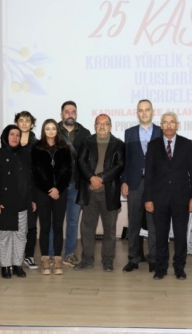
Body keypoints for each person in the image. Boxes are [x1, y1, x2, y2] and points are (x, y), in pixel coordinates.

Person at [143, 112, 192, 280]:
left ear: (177, 125)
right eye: (165, 122)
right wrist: (148, 198)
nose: (168, 125)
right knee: (161, 235)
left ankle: (179, 267)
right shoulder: (153, 145)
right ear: (161, 125)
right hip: (159, 198)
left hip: (182, 198)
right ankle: (161, 267)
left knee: (180, 235)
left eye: (172, 122)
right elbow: (149, 174)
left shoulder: (186, 144)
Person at [74, 114, 125, 272]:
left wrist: (100, 178)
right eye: (99, 124)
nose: (102, 126)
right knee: (87, 228)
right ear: (95, 126)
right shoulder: (87, 141)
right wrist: (91, 178)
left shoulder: (118, 144)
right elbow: (81, 161)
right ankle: (87, 260)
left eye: (105, 124)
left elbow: (119, 166)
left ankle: (108, 261)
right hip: (89, 192)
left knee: (110, 230)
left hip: (109, 193)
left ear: (110, 126)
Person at [0, 125, 36, 279]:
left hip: (22, 202)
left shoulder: (25, 154)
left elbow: (30, 179)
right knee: (4, 235)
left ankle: (17, 265)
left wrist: (32, 199)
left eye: (17, 135)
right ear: (5, 136)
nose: (15, 137)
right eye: (12, 134)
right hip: (4, 203)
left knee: (21, 235)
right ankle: (5, 266)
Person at [121, 99, 162, 273]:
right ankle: (134, 258)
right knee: (134, 222)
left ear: (152, 111)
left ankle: (154, 259)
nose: (144, 113)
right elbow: (126, 160)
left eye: (147, 110)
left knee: (154, 224)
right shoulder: (129, 133)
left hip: (155, 184)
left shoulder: (161, 132)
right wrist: (124, 180)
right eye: (141, 110)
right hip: (134, 183)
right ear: (137, 113)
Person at [31, 119, 72, 275]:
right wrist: (49, 189)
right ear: (43, 130)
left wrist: (58, 189)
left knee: (58, 226)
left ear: (57, 130)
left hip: (61, 192)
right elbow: (36, 172)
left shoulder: (64, 148)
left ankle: (57, 259)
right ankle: (45, 259)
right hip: (43, 192)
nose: (50, 131)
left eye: (53, 128)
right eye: (47, 128)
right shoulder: (36, 148)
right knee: (45, 226)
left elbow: (68, 171)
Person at [57, 100, 91, 266]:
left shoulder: (85, 133)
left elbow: (88, 160)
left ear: (76, 114)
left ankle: (69, 254)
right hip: (57, 186)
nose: (70, 114)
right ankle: (52, 255)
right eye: (67, 111)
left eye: (73, 111)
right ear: (61, 114)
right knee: (55, 222)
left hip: (76, 185)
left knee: (72, 222)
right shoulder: (53, 130)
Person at [15, 110, 39, 270]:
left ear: (32, 124)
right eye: (21, 120)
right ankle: (14, 256)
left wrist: (35, 196)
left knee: (31, 225)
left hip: (32, 189)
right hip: (13, 190)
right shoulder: (10, 141)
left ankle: (29, 256)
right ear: (16, 123)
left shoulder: (37, 144)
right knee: (14, 225)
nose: (24, 123)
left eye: (27, 121)